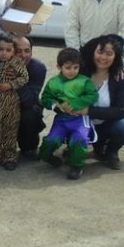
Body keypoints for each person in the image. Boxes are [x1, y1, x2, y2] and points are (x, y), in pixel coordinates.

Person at [38, 48, 99, 180]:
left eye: (76, 67)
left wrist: (76, 104)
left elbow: (93, 96)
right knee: (51, 141)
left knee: (79, 140)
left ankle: (76, 166)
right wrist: (56, 106)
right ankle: (47, 157)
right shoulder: (53, 83)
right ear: (59, 67)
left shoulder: (84, 81)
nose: (72, 71)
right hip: (61, 119)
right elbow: (45, 99)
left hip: (80, 120)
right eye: (68, 67)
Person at [81, 35, 124, 170]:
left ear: (116, 56)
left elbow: (123, 110)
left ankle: (112, 152)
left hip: (107, 125)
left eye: (109, 54)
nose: (103, 58)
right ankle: (91, 147)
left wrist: (90, 111)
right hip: (82, 123)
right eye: (100, 52)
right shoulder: (81, 70)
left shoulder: (120, 77)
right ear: (93, 51)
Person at [0, 33, 28, 170]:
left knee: (10, 129)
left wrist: (11, 85)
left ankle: (9, 157)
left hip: (11, 103)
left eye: (8, 50)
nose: (4, 53)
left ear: (13, 51)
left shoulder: (16, 63)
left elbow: (24, 77)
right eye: (0, 49)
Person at [13, 35, 47, 159]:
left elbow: (29, 100)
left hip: (25, 106)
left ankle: (29, 146)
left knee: (31, 113)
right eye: (18, 51)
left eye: (27, 51)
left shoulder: (38, 68)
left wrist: (18, 77)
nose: (23, 55)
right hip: (3, 104)